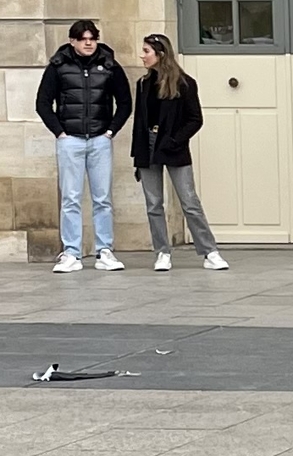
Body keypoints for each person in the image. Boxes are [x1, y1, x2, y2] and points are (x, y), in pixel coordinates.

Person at [35, 15, 131, 274]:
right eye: (83, 39)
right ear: (72, 41)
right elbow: (43, 103)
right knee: (71, 198)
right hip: (71, 140)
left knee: (102, 198)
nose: (89, 44)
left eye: (92, 39)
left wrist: (110, 131)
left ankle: (104, 251)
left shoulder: (110, 65)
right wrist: (60, 133)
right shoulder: (58, 66)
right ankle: (71, 252)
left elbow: (125, 102)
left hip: (100, 139)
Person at [132, 31, 227, 272]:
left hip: (173, 146)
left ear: (160, 54)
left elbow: (195, 119)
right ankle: (162, 251)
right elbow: (139, 122)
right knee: (154, 203)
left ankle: (210, 251)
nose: (142, 56)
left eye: (146, 51)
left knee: (189, 201)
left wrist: (174, 140)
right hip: (149, 146)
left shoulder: (184, 83)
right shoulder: (142, 84)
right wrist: (139, 156)